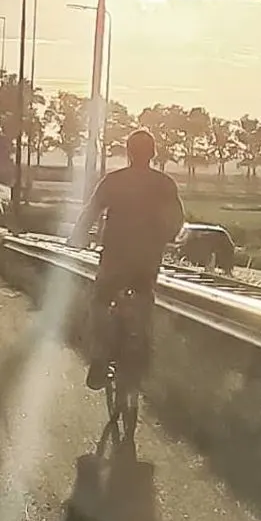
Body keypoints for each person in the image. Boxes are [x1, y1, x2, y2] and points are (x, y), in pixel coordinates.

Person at [67, 129, 185, 391]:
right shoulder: (164, 184)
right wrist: (166, 237)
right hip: (147, 260)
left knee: (99, 301)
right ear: (153, 154)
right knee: (145, 298)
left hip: (115, 259)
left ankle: (100, 358)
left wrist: (77, 237)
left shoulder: (114, 181)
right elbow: (177, 220)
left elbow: (91, 211)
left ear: (128, 152)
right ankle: (144, 350)